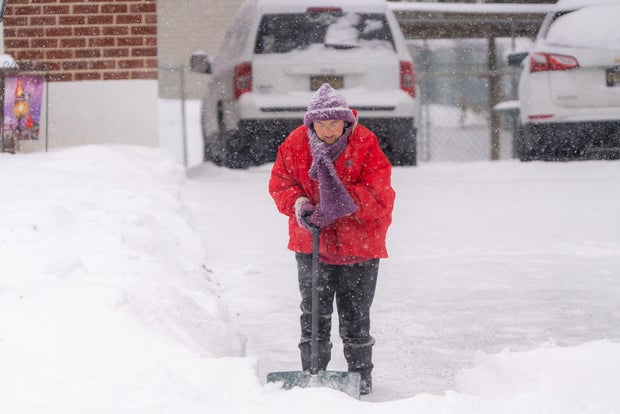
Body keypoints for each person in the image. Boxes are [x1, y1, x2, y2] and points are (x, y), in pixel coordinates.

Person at [268, 83, 395, 395]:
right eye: (321, 124)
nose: (327, 131)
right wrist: (300, 204)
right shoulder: (296, 142)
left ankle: (361, 378)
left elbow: (380, 193)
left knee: (355, 317)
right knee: (313, 315)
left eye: (334, 124)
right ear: (311, 123)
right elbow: (281, 182)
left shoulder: (365, 142)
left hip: (360, 247)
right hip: (311, 244)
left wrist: (336, 205)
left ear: (346, 121)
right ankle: (313, 375)